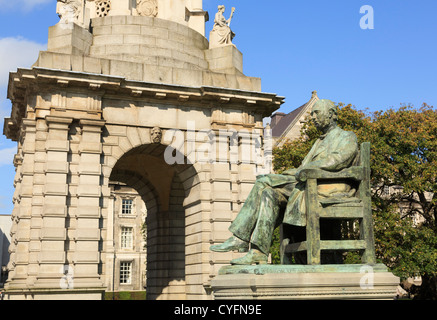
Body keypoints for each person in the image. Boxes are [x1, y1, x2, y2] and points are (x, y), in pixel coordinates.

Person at [210, 99, 359, 265]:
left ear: (331, 114)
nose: (313, 117)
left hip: (329, 186)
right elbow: (303, 167)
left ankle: (240, 238)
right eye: (312, 114)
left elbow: (338, 160)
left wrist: (305, 169)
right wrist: (294, 172)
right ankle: (258, 251)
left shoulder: (346, 136)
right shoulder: (319, 142)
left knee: (263, 182)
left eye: (316, 113)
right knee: (268, 193)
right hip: (308, 182)